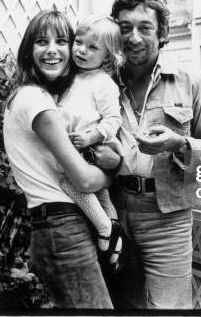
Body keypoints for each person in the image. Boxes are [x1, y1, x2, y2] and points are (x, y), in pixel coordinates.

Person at [94, 0, 201, 309]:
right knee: (121, 305)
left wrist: (178, 143)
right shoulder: (100, 82)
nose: (134, 38)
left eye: (145, 28)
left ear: (162, 33)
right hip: (112, 210)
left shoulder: (189, 81)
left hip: (167, 217)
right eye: (125, 28)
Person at [2, 10, 114, 308]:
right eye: (42, 41)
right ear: (29, 51)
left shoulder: (31, 97)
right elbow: (85, 179)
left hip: (57, 228)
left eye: (61, 41)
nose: (52, 49)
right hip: (63, 229)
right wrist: (113, 173)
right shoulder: (37, 102)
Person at [57, 15, 125, 270]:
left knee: (69, 183)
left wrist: (91, 136)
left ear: (107, 57)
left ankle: (105, 228)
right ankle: (115, 235)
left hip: (87, 147)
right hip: (71, 145)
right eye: (79, 42)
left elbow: (113, 119)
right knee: (100, 193)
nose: (81, 50)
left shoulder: (103, 83)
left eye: (92, 47)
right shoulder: (69, 75)